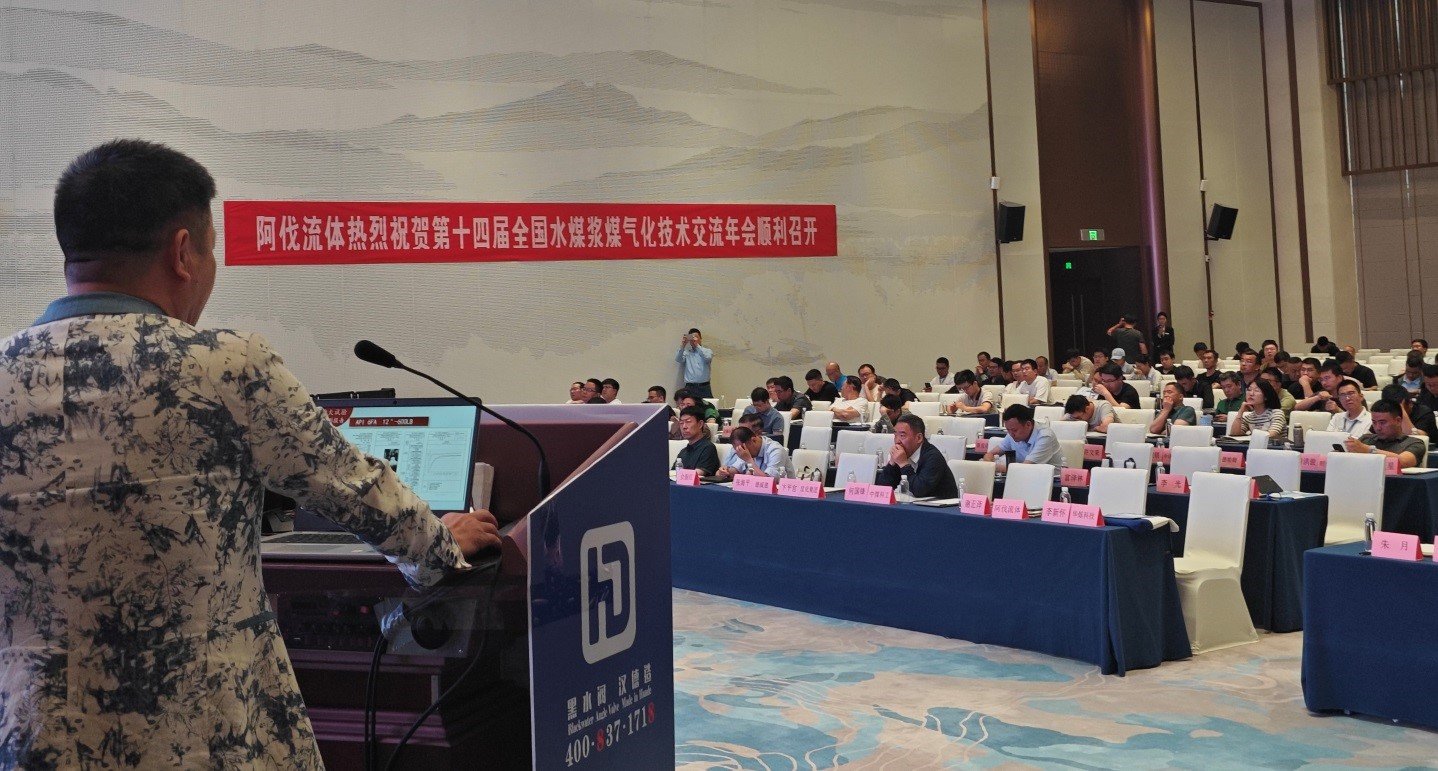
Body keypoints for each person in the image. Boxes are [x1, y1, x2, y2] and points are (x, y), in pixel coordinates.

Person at [0, 140, 500, 767]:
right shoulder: (223, 367)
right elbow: (357, 491)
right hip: (202, 735)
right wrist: (443, 546)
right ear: (184, 251)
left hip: (37, 738)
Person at [876, 414, 959, 498]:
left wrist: (903, 464)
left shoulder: (934, 457)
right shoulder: (901, 455)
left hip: (940, 505)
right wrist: (891, 464)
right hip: (910, 503)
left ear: (919, 438)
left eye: (902, 436)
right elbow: (882, 489)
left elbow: (919, 491)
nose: (897, 441)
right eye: (895, 435)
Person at [1346, 400, 1427, 468]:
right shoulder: (1365, 439)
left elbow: (1403, 462)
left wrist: (1369, 450)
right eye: (1374, 422)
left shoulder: (1415, 443)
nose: (1378, 428)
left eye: (1382, 422)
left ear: (1398, 421)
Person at [984, 404, 1064, 466]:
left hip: (1051, 480)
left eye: (1014, 430)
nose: (1011, 434)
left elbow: (1026, 468)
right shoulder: (1012, 433)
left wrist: (993, 467)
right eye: (1008, 430)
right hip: (1024, 477)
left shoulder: (1045, 436)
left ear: (1028, 425)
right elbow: (990, 454)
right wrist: (988, 461)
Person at [716, 424, 787, 480]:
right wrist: (725, 472)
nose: (742, 451)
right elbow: (735, 471)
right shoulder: (745, 449)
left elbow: (768, 481)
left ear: (754, 440)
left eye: (742, 448)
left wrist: (749, 460)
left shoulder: (775, 450)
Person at [675, 405, 720, 474]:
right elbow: (673, 472)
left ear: (700, 424)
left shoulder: (708, 448)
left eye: (688, 422)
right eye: (681, 423)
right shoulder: (683, 451)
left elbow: (698, 474)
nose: (684, 427)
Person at [675, 327, 714, 398]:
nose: (694, 339)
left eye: (696, 337)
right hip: (690, 387)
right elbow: (678, 359)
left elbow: (707, 358)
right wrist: (683, 345)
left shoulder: (707, 351)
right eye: (692, 338)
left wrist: (697, 346)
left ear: (700, 338)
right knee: (688, 405)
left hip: (704, 387)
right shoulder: (687, 352)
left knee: (708, 404)